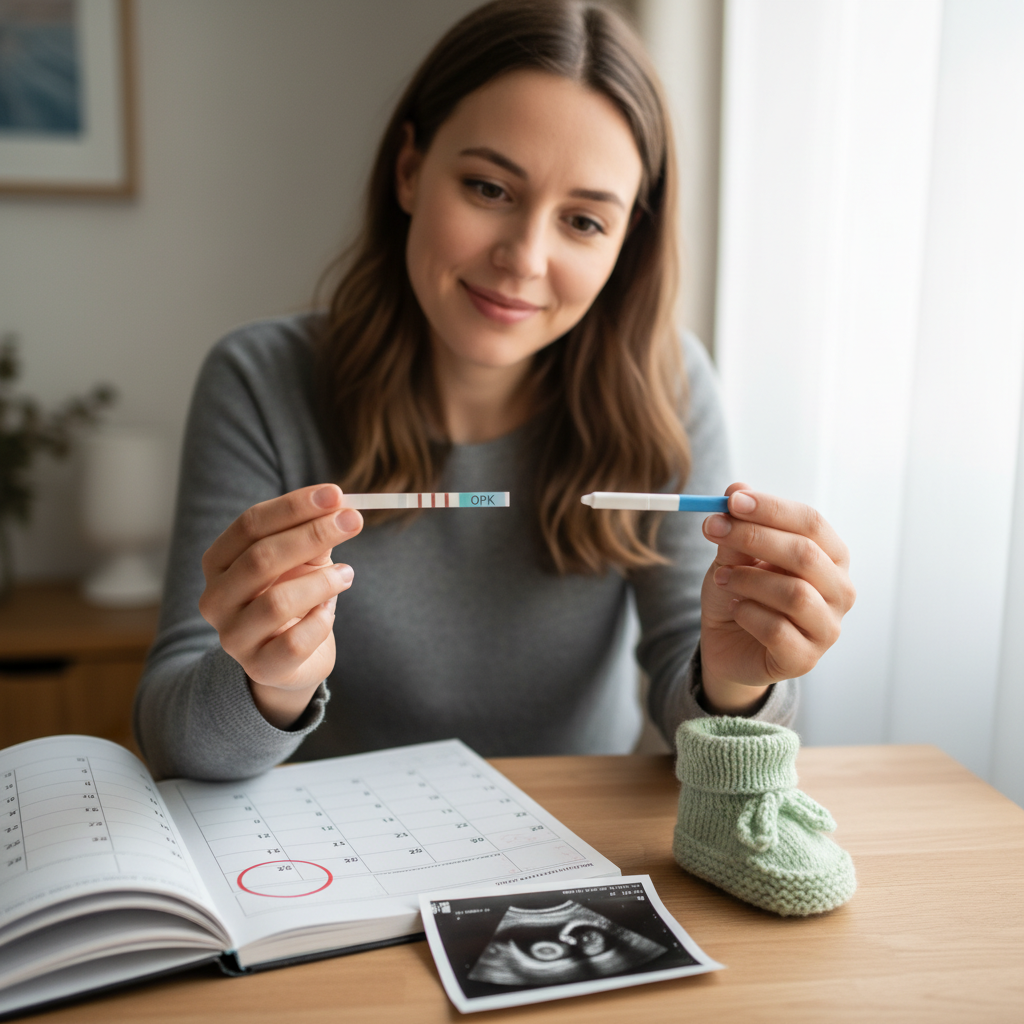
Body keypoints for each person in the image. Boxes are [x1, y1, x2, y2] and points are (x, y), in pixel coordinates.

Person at [134, 0, 855, 781]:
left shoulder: (669, 390)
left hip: (567, 859)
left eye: (583, 222)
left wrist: (740, 678)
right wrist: (268, 681)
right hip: (326, 862)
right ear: (410, 170)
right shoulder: (260, 381)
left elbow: (705, 726)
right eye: (488, 188)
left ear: (625, 245)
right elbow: (176, 741)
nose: (523, 258)